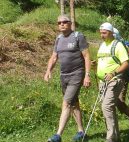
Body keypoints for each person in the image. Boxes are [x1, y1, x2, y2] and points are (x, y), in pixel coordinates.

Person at [44, 14, 91, 142]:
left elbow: (87, 56)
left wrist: (87, 75)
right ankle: (81, 131)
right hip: (64, 76)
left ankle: (58, 135)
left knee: (66, 102)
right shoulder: (58, 39)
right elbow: (54, 57)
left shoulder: (78, 36)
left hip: (77, 74)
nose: (62, 24)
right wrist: (48, 71)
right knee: (74, 103)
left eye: (65, 22)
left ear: (70, 23)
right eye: (59, 23)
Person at [97, 22, 129, 142]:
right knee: (109, 107)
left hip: (115, 80)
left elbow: (126, 63)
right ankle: (116, 137)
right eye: (101, 33)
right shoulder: (102, 45)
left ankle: (110, 137)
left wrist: (113, 73)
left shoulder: (118, 45)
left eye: (104, 33)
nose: (102, 35)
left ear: (111, 33)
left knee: (106, 106)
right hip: (103, 81)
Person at [113, 27, 129, 130]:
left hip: (121, 77)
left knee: (118, 101)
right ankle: (113, 127)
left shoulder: (122, 46)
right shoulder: (107, 45)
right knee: (111, 102)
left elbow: (128, 63)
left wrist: (125, 77)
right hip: (109, 77)